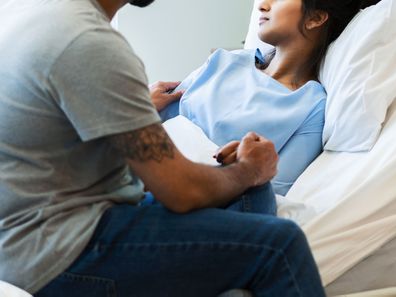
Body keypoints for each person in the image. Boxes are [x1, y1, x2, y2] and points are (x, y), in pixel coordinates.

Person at [0, 0, 366, 296]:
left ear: (318, 17)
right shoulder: (91, 43)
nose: (263, 4)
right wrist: (250, 170)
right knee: (280, 245)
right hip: (57, 250)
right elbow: (182, 190)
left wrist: (136, 110)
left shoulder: (42, 16)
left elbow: (276, 184)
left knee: (255, 198)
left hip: (41, 230)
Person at [155, 0, 375, 196]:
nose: (262, 5)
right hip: (146, 168)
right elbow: (155, 123)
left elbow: (275, 190)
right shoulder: (224, 60)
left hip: (198, 195)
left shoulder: (311, 107)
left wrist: (241, 171)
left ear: (315, 18)